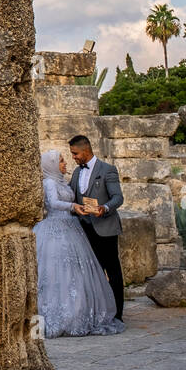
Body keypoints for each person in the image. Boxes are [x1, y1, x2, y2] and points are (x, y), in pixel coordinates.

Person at [34, 150, 123, 337]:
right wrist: (73, 206)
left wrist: (90, 206)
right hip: (55, 230)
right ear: (50, 165)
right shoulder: (49, 182)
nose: (65, 163)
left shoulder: (63, 181)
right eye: (60, 161)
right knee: (56, 273)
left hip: (72, 227)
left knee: (78, 274)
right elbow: (53, 203)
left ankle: (80, 310)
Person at [68, 134, 126, 322]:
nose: (73, 157)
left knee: (113, 270)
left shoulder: (107, 170)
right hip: (84, 229)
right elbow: (72, 197)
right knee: (92, 271)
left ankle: (118, 313)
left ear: (86, 150)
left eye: (75, 154)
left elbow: (118, 198)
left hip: (105, 228)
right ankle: (98, 311)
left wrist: (105, 208)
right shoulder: (76, 173)